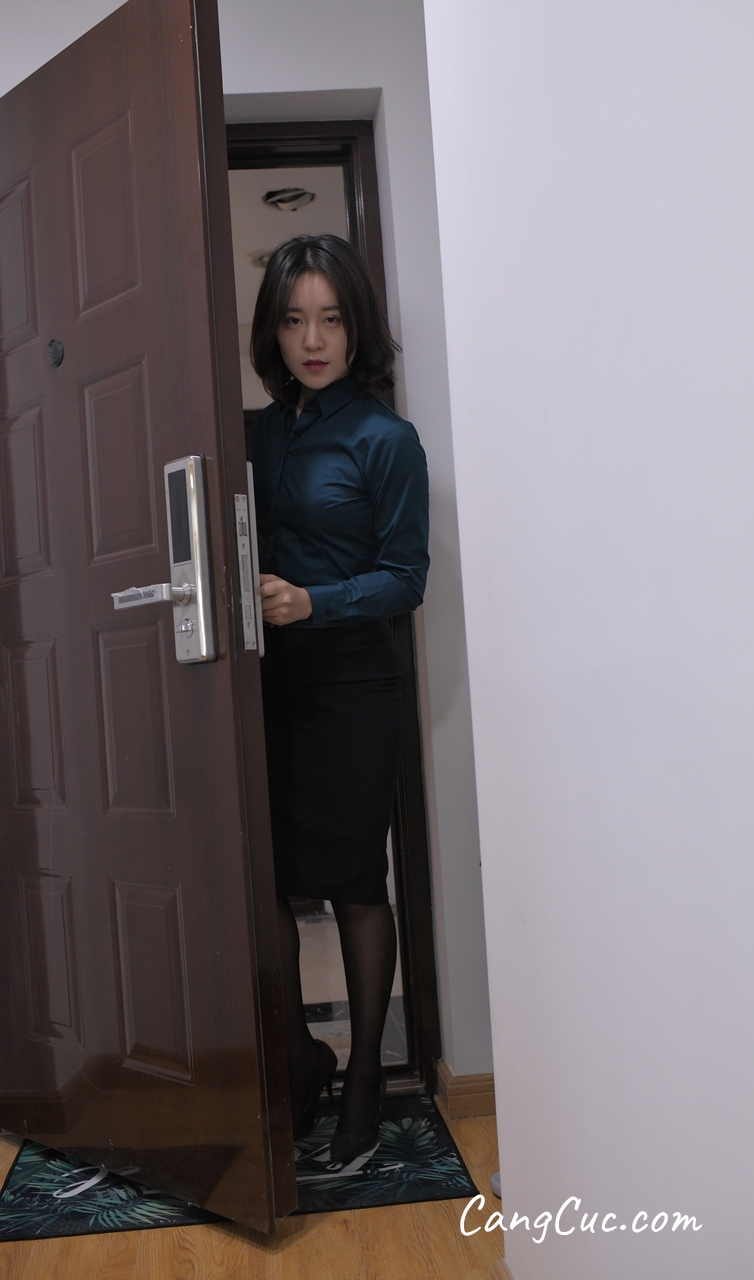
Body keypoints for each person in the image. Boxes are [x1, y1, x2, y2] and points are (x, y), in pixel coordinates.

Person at [248, 234, 429, 1168]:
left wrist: (314, 602)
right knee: (271, 883)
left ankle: (363, 1075)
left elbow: (406, 578)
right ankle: (297, 1058)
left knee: (357, 885)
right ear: (271, 331)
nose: (312, 340)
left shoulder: (385, 440)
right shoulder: (253, 433)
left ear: (356, 327)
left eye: (329, 319)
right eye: (292, 320)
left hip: (354, 687)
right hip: (264, 687)